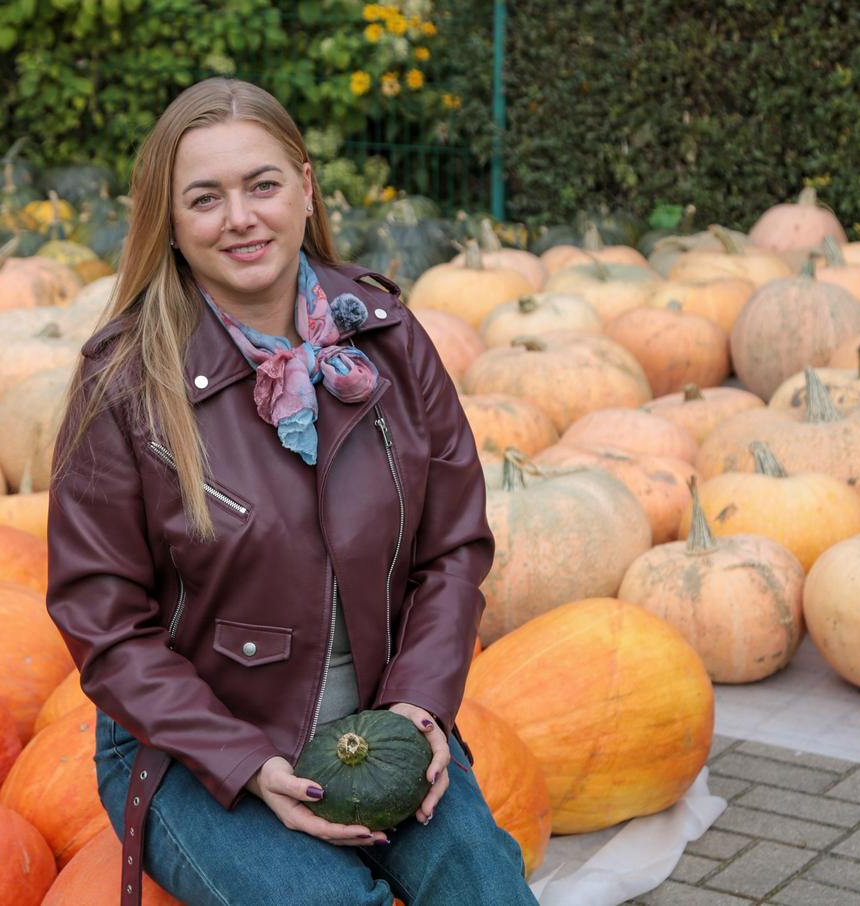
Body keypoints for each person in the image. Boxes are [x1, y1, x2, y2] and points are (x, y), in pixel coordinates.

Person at [46, 77, 538, 906]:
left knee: (485, 887)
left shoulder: (389, 338)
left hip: (375, 724)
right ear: (170, 222)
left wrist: (419, 706)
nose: (240, 217)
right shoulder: (125, 384)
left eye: (262, 185)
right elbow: (103, 618)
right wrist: (245, 761)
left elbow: (452, 549)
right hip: (194, 750)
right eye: (205, 198)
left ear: (306, 189)